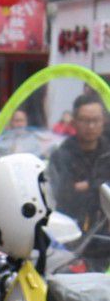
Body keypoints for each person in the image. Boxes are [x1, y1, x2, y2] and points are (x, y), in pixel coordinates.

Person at [48, 92, 110, 238]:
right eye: (84, 120)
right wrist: (98, 185)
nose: (91, 126)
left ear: (104, 121)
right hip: (72, 233)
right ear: (74, 121)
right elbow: (63, 194)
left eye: (96, 120)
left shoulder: (108, 151)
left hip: (105, 233)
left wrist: (87, 185)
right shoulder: (61, 155)